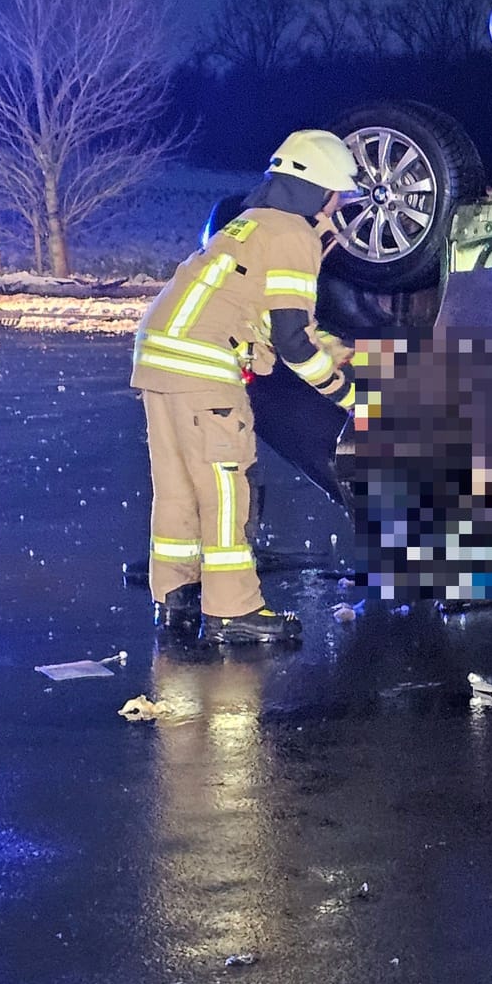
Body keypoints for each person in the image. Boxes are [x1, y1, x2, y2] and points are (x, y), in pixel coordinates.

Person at [130, 130, 364, 645]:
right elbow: (294, 343)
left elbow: (263, 316)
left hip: (160, 358)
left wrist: (337, 346)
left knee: (177, 488)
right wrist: (351, 398)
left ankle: (176, 595)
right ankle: (233, 612)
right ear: (320, 191)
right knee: (224, 491)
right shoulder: (291, 236)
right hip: (203, 368)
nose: (339, 208)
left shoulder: (251, 224)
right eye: (339, 196)